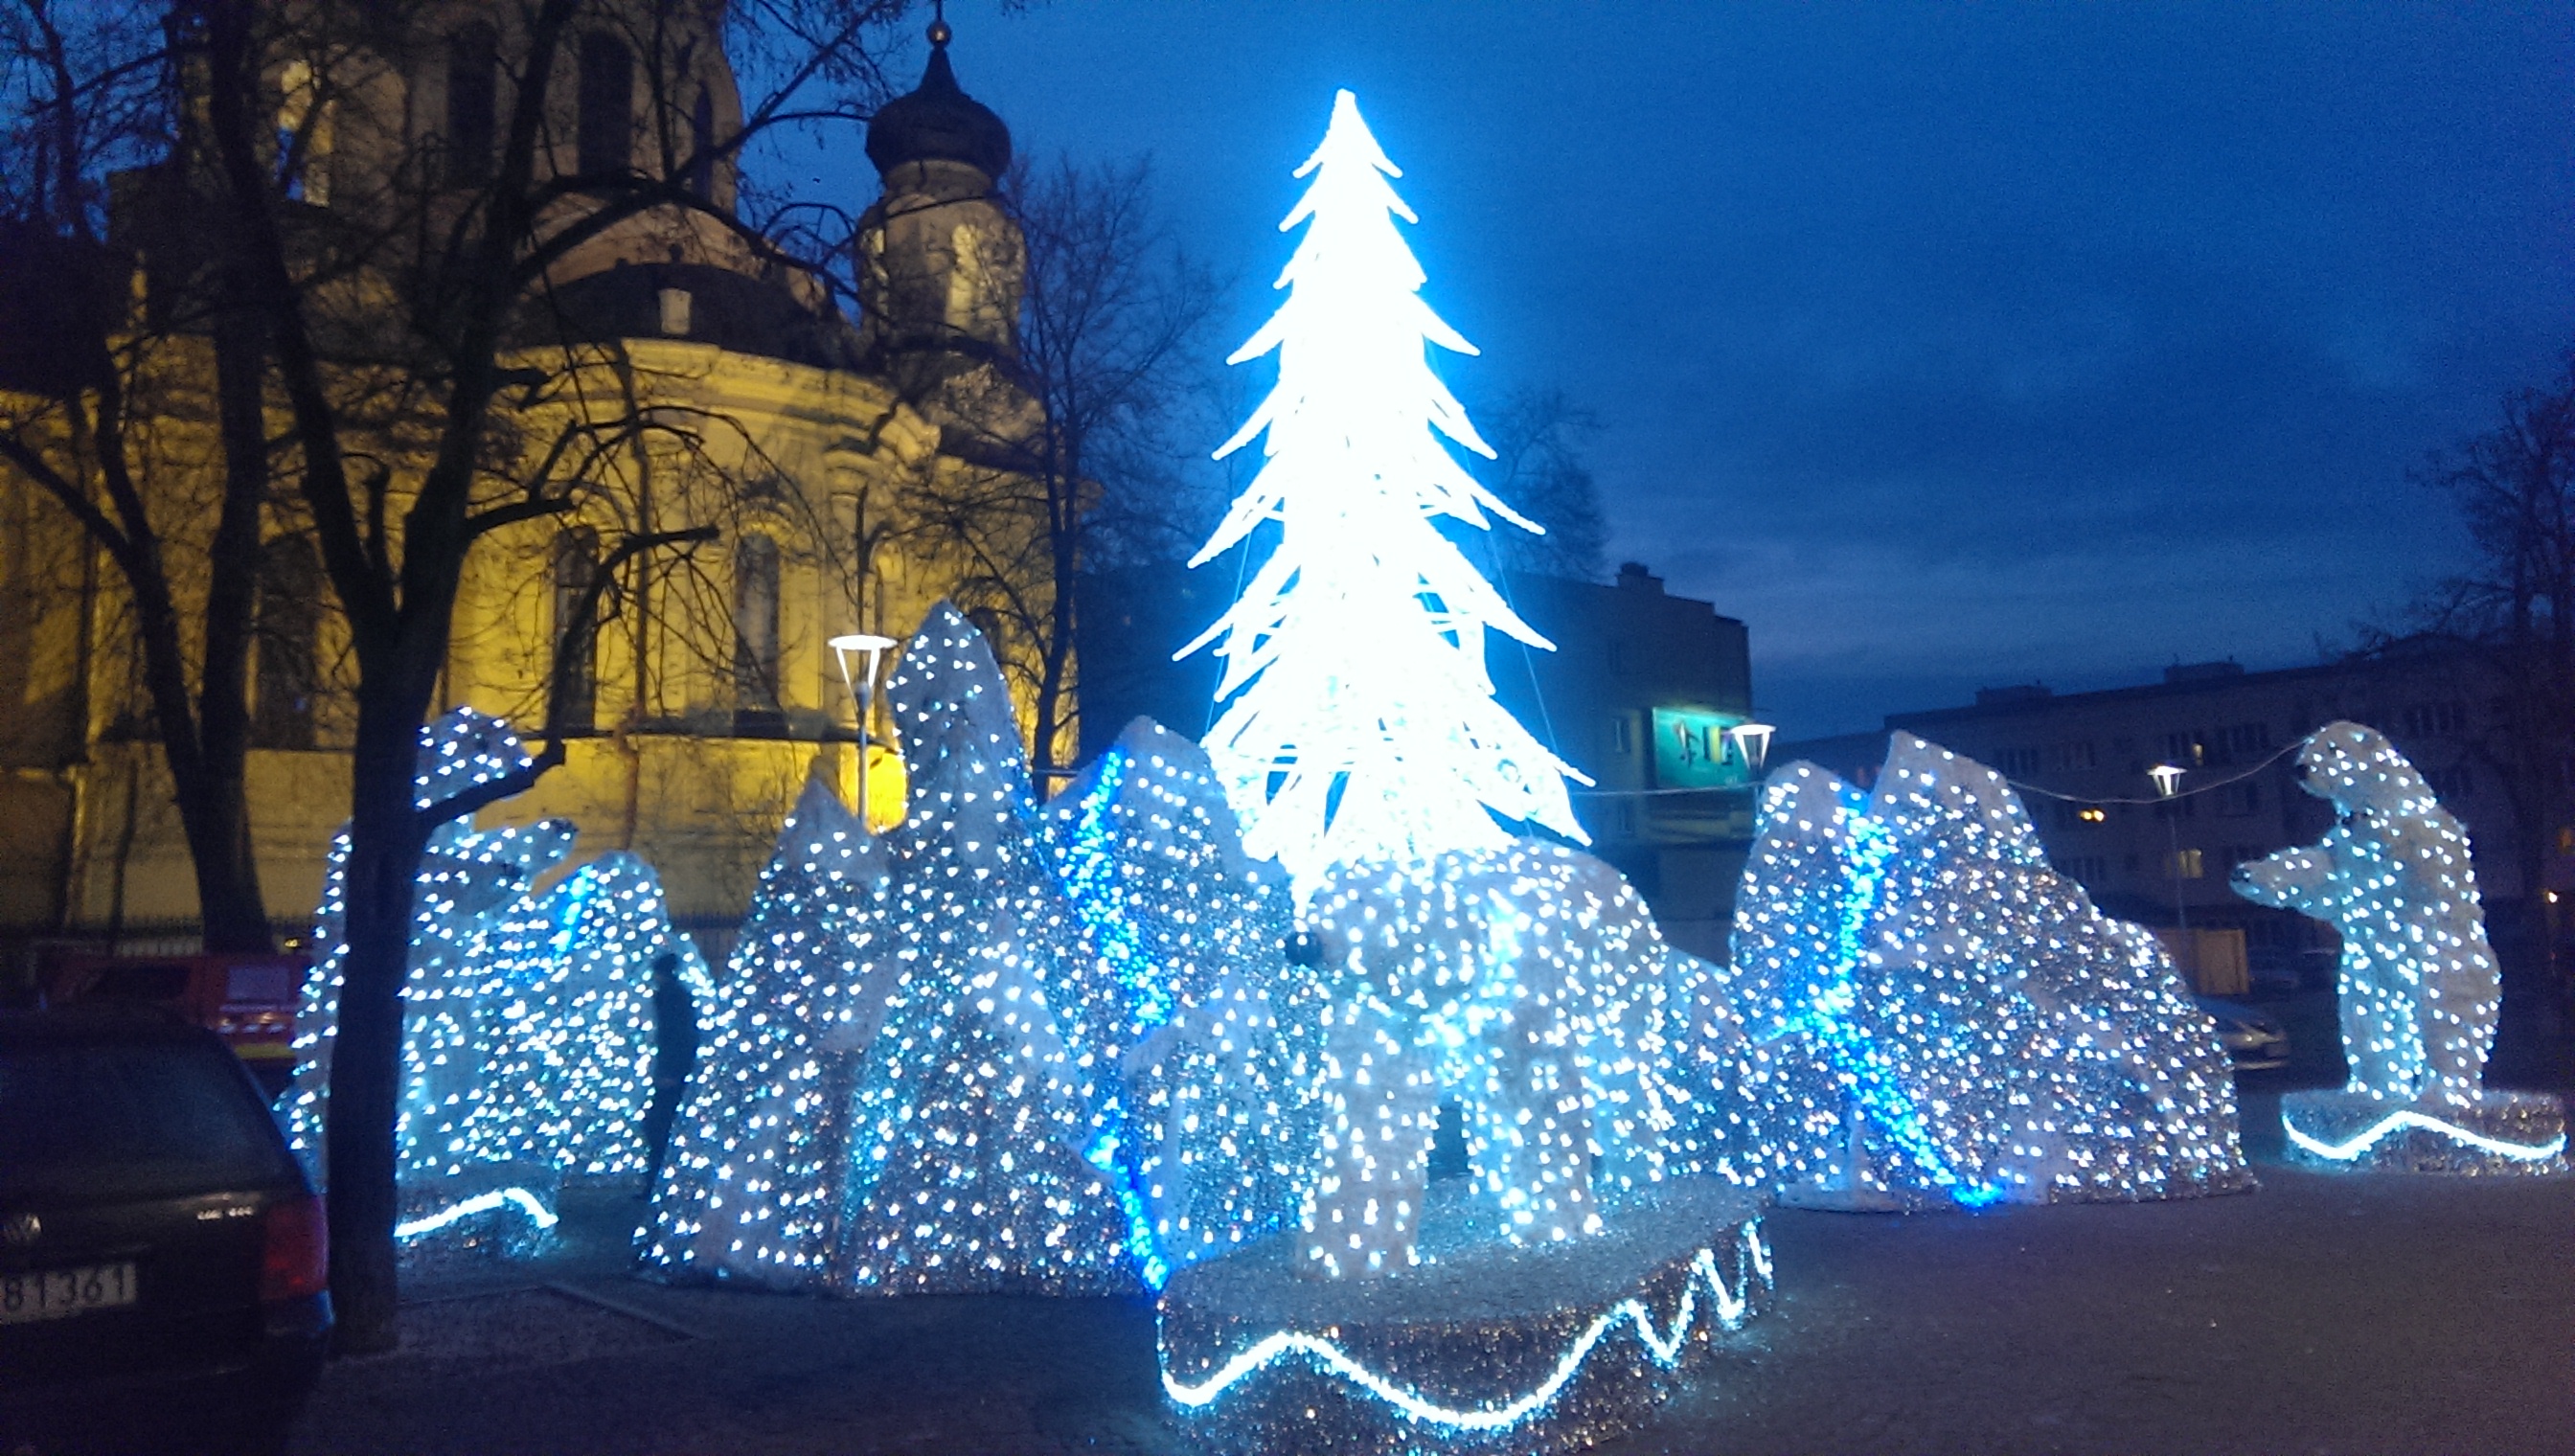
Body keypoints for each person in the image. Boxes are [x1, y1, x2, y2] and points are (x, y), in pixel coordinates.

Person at [641, 951, 698, 1195]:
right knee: (661, 1124)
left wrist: (667, 1070)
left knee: (658, 1125)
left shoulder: (668, 997)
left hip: (671, 1070)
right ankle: (656, 1179)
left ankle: (654, 1180)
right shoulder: (679, 995)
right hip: (676, 1068)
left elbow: (672, 1035)